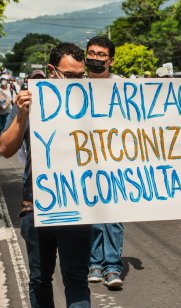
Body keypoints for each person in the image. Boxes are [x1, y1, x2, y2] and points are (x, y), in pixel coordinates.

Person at [0, 42, 92, 308]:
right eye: (70, 75)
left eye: (80, 76)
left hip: (79, 208)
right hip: (37, 209)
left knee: (76, 280)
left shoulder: (93, 102)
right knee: (39, 280)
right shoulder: (29, 102)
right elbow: (6, 149)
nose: (76, 81)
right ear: (52, 71)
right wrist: (21, 115)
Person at [84, 36, 125, 289]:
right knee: (93, 214)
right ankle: (94, 263)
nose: (96, 58)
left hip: (117, 158)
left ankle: (112, 266)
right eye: (92, 53)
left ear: (111, 59)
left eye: (101, 54)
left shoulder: (122, 86)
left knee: (115, 215)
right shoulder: (76, 84)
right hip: (85, 159)